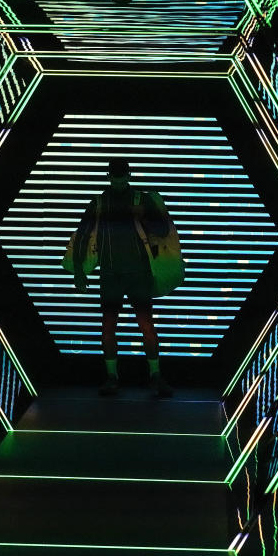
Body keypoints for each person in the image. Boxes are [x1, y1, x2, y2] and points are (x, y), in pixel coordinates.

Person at [71, 158, 174, 397]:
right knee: (109, 326)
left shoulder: (140, 199)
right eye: (115, 178)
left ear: (128, 175)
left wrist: (144, 217)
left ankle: (155, 376)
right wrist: (78, 270)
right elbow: (83, 235)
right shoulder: (100, 203)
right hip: (111, 274)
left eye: (121, 177)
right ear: (110, 176)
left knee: (145, 325)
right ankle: (113, 377)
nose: (118, 182)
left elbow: (162, 230)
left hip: (136, 274)